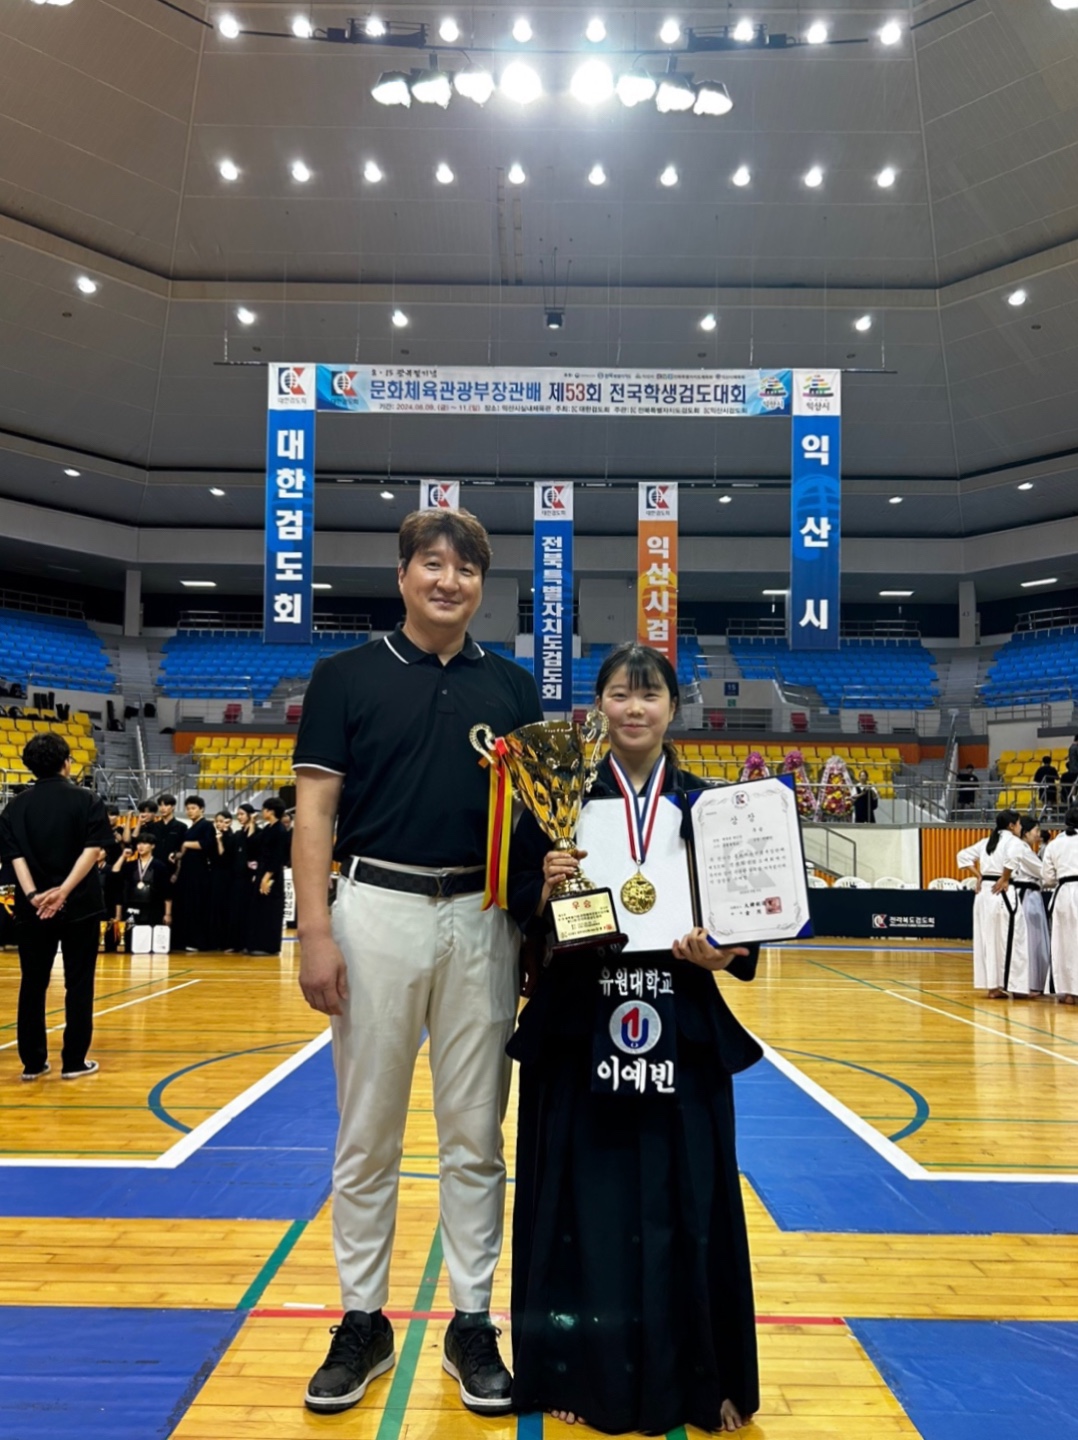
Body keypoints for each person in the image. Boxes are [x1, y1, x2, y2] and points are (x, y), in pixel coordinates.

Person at [292, 507, 543, 1417]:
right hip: (375, 910)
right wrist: (314, 932)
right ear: (402, 575)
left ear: (483, 584)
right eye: (432, 564)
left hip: (483, 915)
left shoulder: (513, 689)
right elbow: (314, 813)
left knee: (478, 1134)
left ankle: (472, 1320)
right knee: (368, 1133)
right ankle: (363, 1317)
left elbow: (532, 825)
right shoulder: (344, 676)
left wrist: (536, 927)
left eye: (467, 568)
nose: (450, 581)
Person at [507, 643, 760, 1435]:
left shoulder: (710, 805)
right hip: (583, 1018)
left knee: (690, 1197)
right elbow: (516, 906)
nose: (635, 709)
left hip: (679, 1018)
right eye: (620, 693)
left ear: (673, 709)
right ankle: (571, 1371)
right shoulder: (556, 799)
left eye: (650, 695)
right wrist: (542, 884)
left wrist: (728, 950)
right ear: (599, 706)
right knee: (585, 1196)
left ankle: (702, 1373)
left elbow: (748, 921)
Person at [0, 732, 113, 1080]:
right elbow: (93, 850)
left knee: (33, 983)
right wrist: (62, 892)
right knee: (79, 983)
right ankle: (74, 1061)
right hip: (80, 905)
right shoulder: (87, 799)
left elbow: (13, 856)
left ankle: (33, 1063)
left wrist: (35, 896)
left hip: (32, 908)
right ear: (67, 762)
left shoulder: (14, 806)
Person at [957, 810, 1028, 999]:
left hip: (983, 895)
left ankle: (993, 987)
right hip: (1001, 891)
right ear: (1011, 826)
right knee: (1011, 937)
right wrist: (1005, 878)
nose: (1021, 827)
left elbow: (962, 856)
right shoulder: (1013, 842)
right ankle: (1015, 985)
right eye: (1019, 824)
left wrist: (979, 875)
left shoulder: (987, 842)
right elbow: (1012, 861)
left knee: (988, 939)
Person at [1042, 806, 1078, 1004]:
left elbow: (1047, 878)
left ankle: (1069, 992)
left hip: (1063, 893)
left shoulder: (1054, 844)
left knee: (1063, 943)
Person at [170, 796, 215, 952]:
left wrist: (186, 844)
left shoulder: (207, 825)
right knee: (186, 904)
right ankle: (185, 939)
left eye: (193, 808)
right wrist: (177, 855)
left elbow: (208, 844)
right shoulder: (190, 827)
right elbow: (183, 852)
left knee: (196, 904)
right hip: (187, 870)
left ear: (201, 809)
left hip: (199, 871)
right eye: (188, 808)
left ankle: (198, 941)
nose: (190, 811)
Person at [246, 798, 289, 955]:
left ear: (270, 811)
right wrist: (252, 823)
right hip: (262, 870)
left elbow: (278, 856)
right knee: (258, 907)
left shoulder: (280, 830)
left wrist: (266, 878)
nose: (262, 812)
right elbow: (252, 842)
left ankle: (269, 946)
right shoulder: (268, 828)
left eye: (264, 809)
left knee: (270, 908)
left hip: (272, 874)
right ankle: (256, 943)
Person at [1014, 816, 1050, 996]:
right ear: (1026, 832)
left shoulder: (1024, 849)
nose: (1038, 834)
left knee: (1031, 939)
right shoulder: (1022, 849)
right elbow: (1044, 872)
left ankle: (1029, 983)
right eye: (1036, 830)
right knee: (1031, 939)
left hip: (1031, 895)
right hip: (1027, 897)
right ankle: (1028, 984)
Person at [113, 833, 169, 946]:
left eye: (144, 843)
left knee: (150, 944)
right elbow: (115, 873)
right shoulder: (130, 865)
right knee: (128, 943)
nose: (140, 846)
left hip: (153, 909)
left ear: (152, 846)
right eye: (138, 843)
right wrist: (123, 856)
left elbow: (167, 891)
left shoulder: (160, 866)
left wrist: (168, 913)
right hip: (132, 909)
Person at [208, 809, 237, 951]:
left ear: (229, 821)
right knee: (214, 907)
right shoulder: (213, 835)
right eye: (216, 821)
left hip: (226, 875)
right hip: (214, 874)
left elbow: (224, 858)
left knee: (224, 907)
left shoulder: (232, 837)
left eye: (221, 821)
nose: (218, 824)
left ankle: (226, 942)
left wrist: (219, 841)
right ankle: (214, 941)